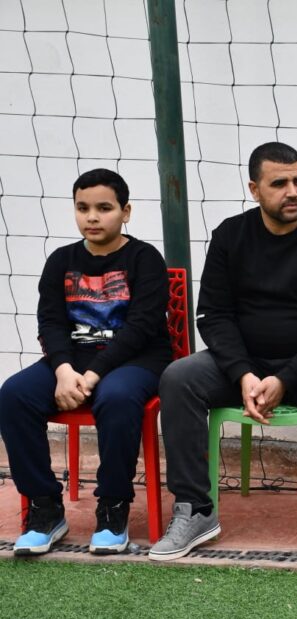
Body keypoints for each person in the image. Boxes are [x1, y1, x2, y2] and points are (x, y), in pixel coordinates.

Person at [149, 142, 297, 565]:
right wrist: (243, 373)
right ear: (254, 189)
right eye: (279, 183)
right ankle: (196, 510)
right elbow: (212, 315)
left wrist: (285, 378)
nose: (293, 192)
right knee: (179, 376)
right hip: (244, 367)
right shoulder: (231, 235)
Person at [0, 169, 172, 555]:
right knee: (13, 395)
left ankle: (112, 509)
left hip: (136, 360)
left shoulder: (145, 259)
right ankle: (45, 509)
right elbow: (51, 323)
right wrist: (63, 370)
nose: (92, 217)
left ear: (126, 212)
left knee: (117, 397)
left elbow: (142, 327)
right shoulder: (61, 261)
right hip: (72, 361)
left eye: (104, 208)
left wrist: (92, 374)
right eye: (83, 208)